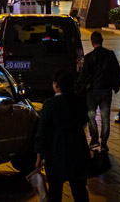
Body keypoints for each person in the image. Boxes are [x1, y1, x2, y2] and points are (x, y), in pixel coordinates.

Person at [35, 69, 91, 202]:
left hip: (56, 152)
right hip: (78, 150)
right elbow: (84, 120)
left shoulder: (49, 104)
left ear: (56, 85)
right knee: (79, 190)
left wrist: (39, 155)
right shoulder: (79, 101)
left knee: (55, 191)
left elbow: (42, 131)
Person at [77, 31, 120, 151]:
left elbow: (84, 74)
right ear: (102, 41)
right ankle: (104, 142)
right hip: (106, 90)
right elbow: (117, 71)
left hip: (93, 91)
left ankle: (94, 138)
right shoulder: (110, 55)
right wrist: (116, 86)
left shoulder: (89, 57)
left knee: (91, 115)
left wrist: (79, 87)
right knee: (105, 117)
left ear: (92, 43)